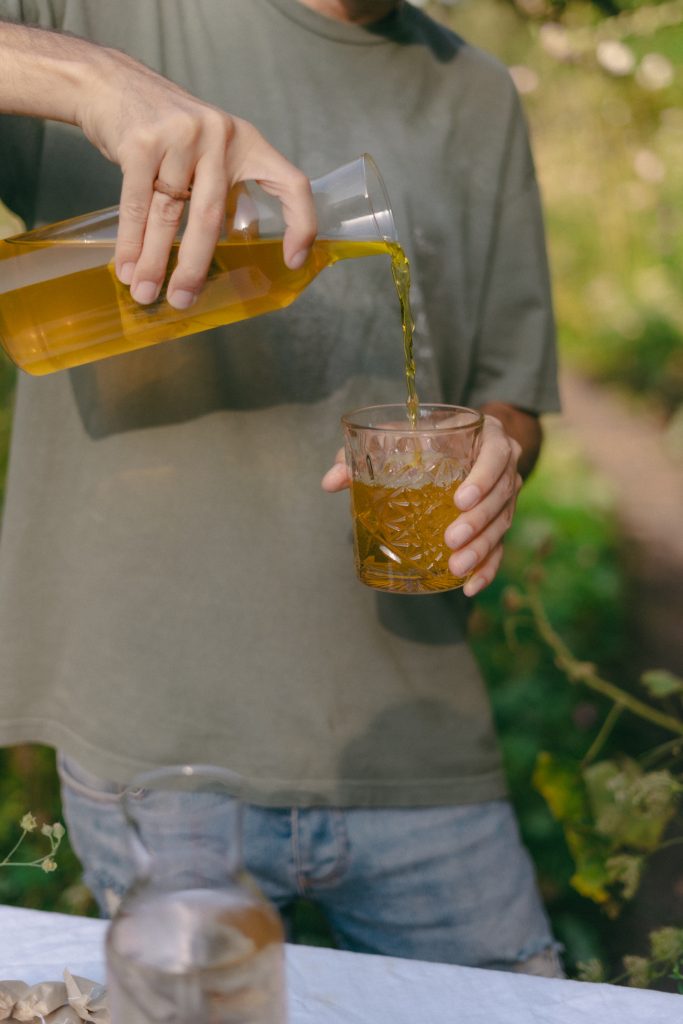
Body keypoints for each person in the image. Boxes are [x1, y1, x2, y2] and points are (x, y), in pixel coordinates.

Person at [0, 0, 563, 974]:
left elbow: (507, 397)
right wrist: (98, 82)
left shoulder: (474, 93)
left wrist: (498, 451)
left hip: (418, 745)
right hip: (163, 751)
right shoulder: (106, 15)